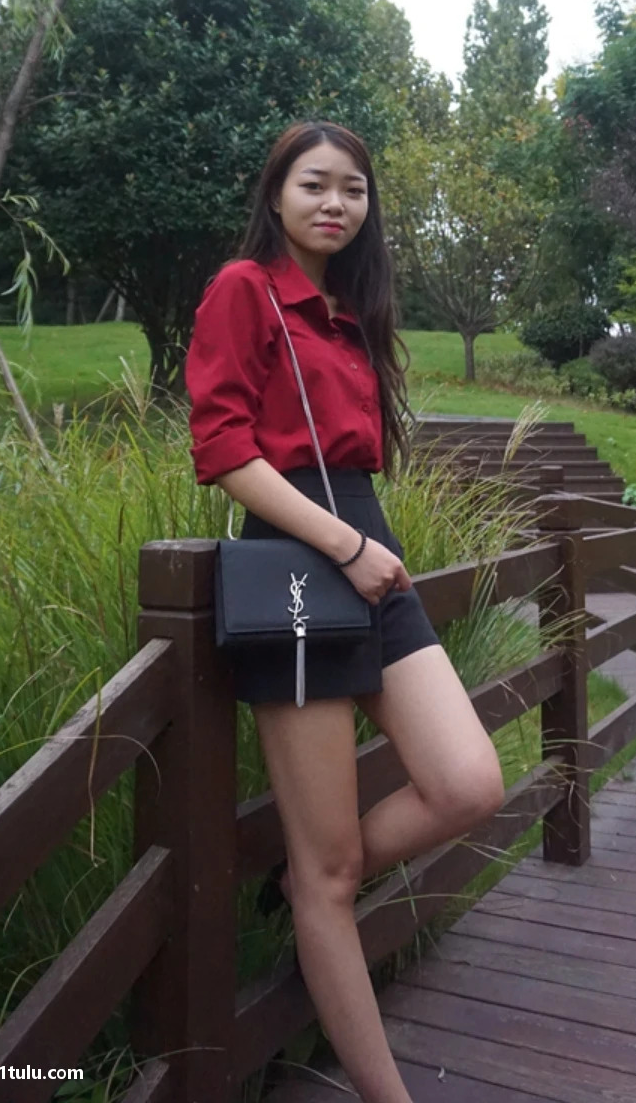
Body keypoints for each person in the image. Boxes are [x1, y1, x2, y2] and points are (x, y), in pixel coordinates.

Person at [185, 119, 505, 1103]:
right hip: (298, 560)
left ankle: (308, 883)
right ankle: (385, 1089)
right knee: (329, 874)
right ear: (276, 193)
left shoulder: (348, 309)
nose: (335, 203)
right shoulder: (245, 289)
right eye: (315, 184)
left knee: (469, 782)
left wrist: (366, 548)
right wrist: (346, 548)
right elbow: (223, 449)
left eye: (353, 189)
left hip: (369, 552)